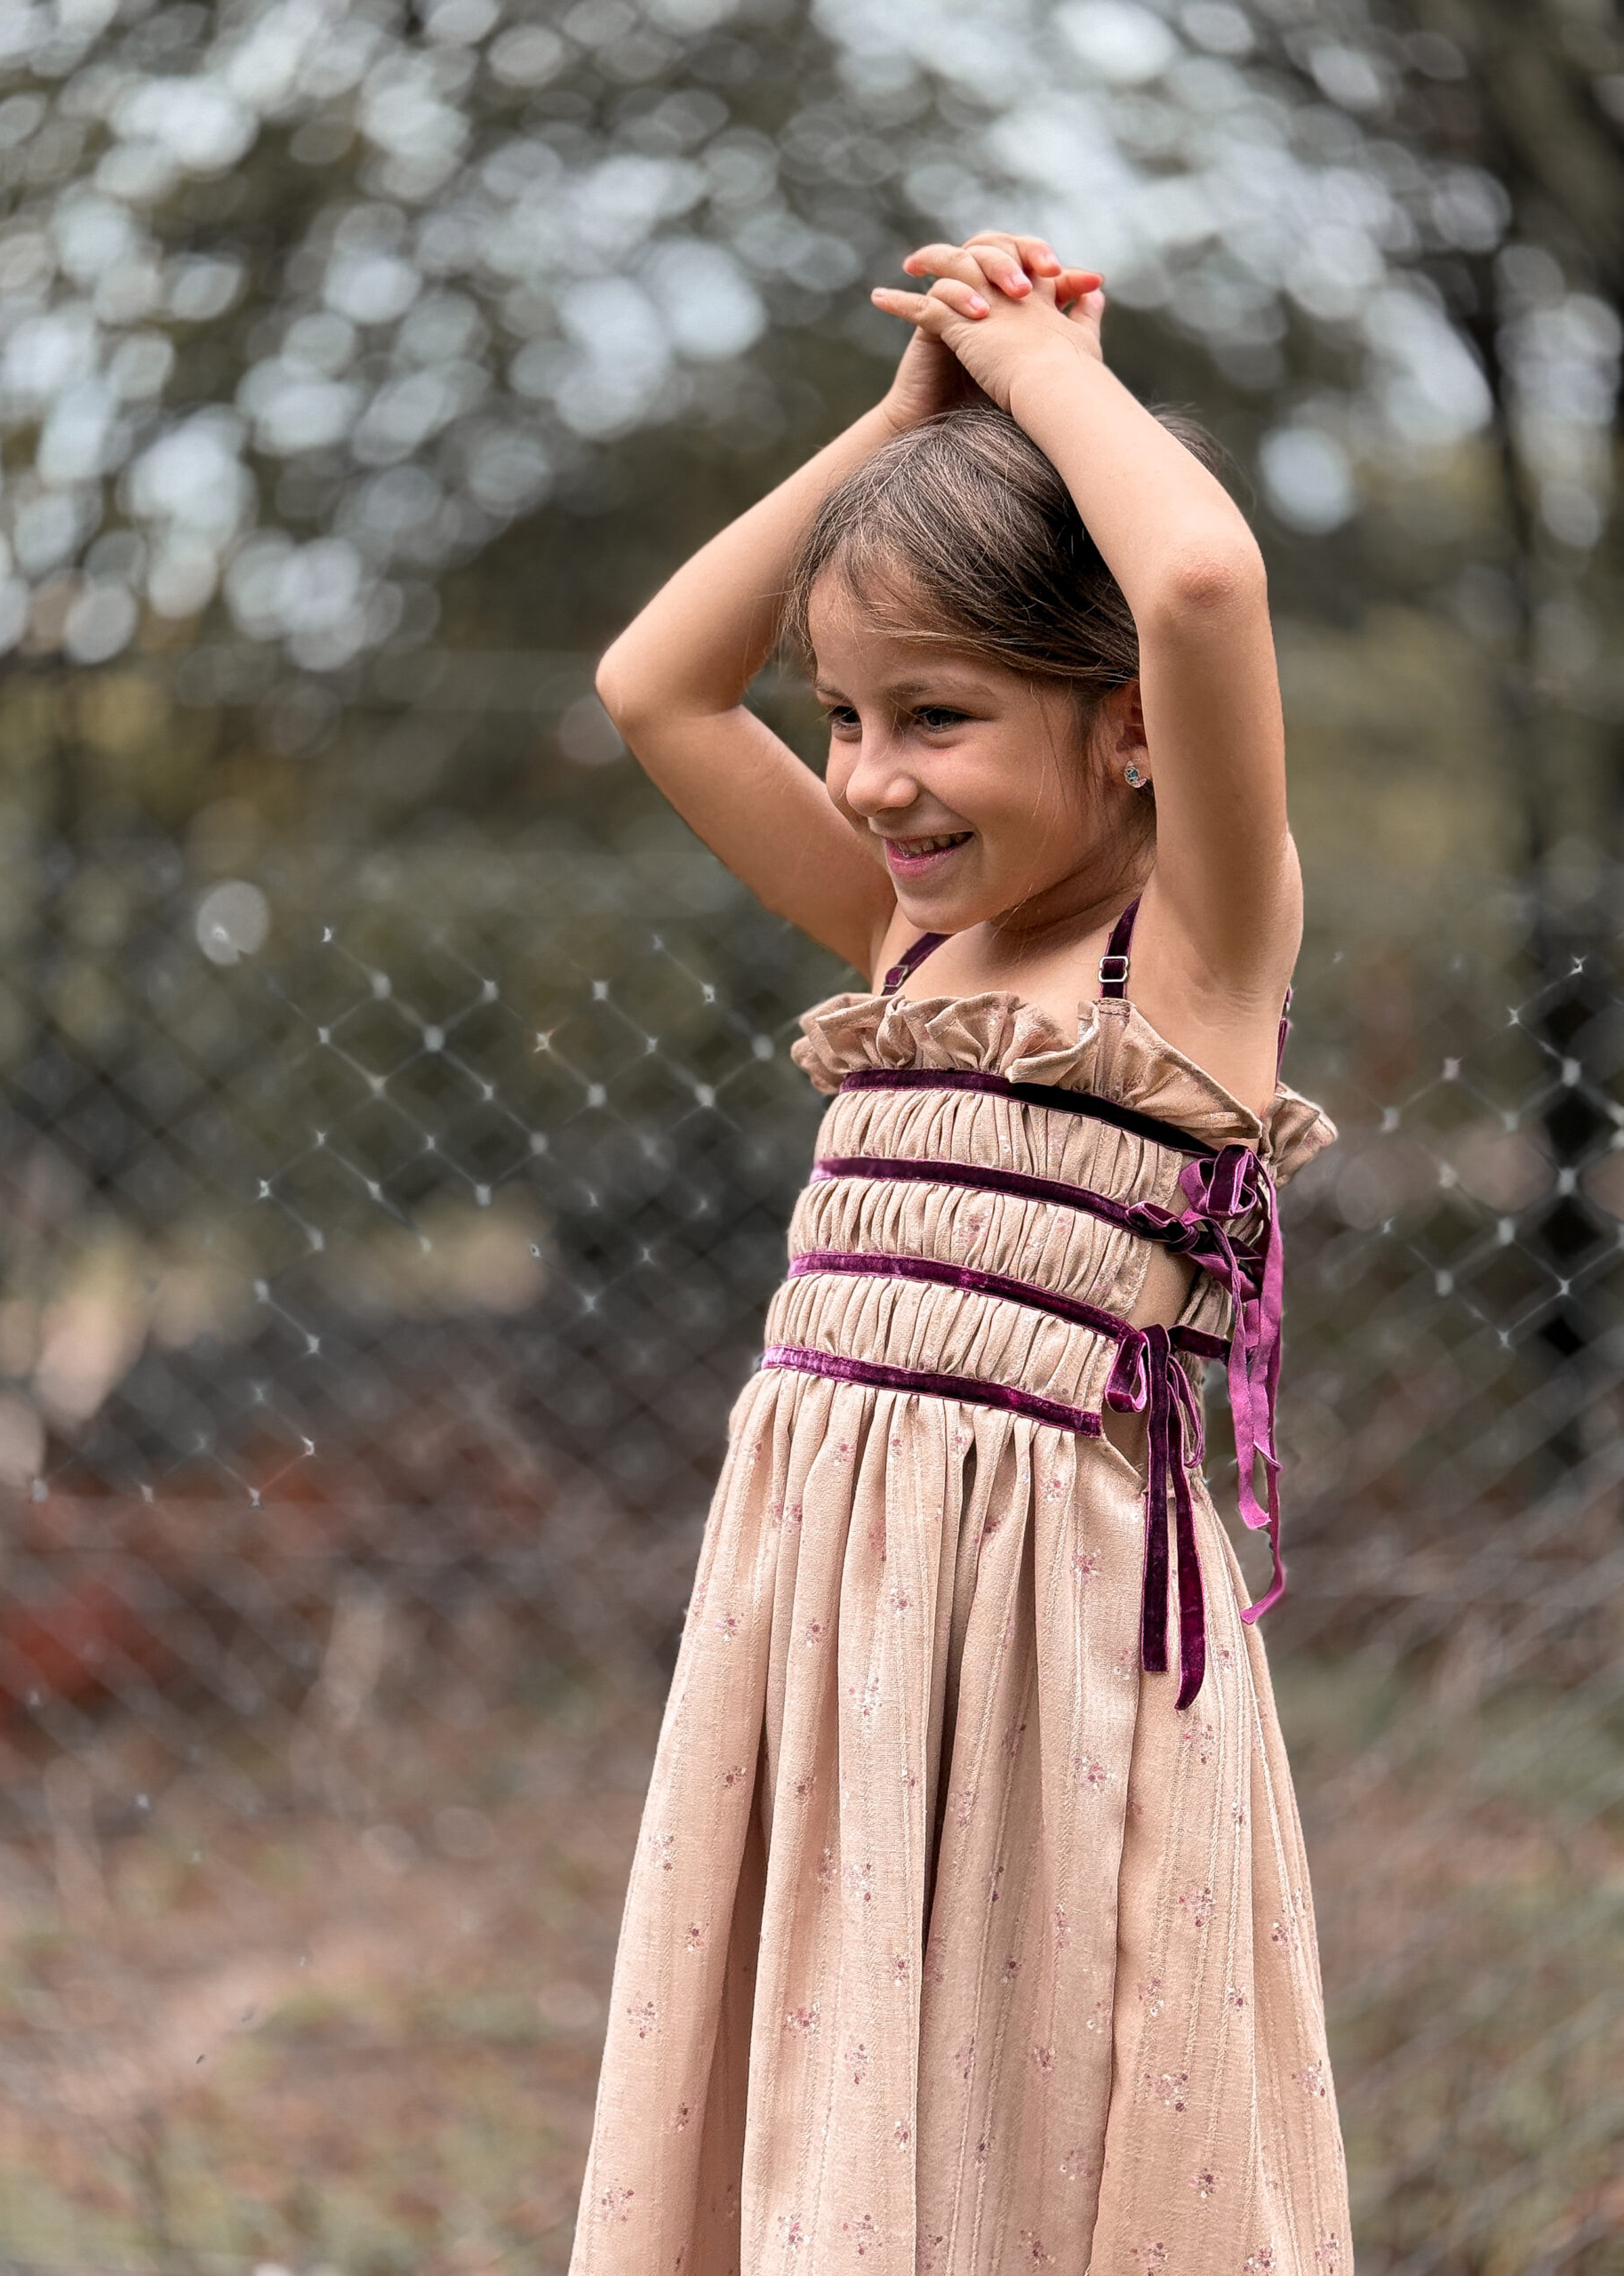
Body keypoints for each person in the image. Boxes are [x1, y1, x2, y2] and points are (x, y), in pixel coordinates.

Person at [568, 229, 1352, 2275]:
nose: (868, 778)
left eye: (936, 713)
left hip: (1048, 1661)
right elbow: (653, 683)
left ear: (1131, 729)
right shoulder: (906, 943)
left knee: (1027, 2126)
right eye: (843, 712)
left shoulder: (1193, 955)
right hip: (821, 1644)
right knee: (828, 2122)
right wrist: (900, 423)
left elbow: (1200, 582)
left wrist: (1044, 370)